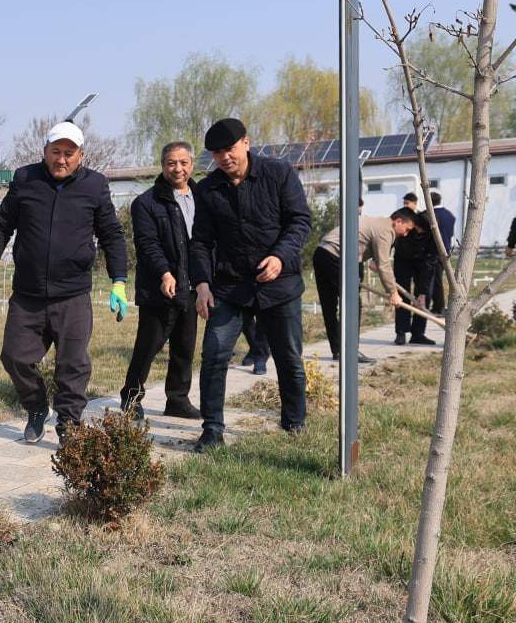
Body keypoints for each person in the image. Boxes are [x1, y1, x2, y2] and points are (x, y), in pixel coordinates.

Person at [0, 121, 129, 444]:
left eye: (69, 153)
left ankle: (68, 424)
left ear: (81, 155)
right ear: (44, 151)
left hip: (72, 294)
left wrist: (119, 282)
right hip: (28, 294)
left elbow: (112, 235)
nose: (61, 159)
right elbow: (2, 224)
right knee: (14, 356)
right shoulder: (25, 179)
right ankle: (36, 407)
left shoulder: (95, 186)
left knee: (72, 364)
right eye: (56, 151)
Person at [190, 118, 312, 453]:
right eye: (217, 153)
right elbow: (201, 241)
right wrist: (202, 284)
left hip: (279, 284)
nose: (224, 157)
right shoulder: (208, 189)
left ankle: (294, 425)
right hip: (230, 288)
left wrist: (280, 257)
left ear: (246, 142)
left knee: (289, 357)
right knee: (214, 355)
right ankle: (212, 430)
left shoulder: (278, 173)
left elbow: (300, 221)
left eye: (229, 149)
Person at [119, 141, 200, 420]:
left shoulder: (201, 197)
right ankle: (131, 398)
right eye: (171, 163)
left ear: (192, 165)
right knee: (148, 346)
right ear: (163, 165)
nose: (178, 169)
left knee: (184, 346)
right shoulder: (146, 203)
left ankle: (177, 399)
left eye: (183, 163)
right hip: (159, 288)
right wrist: (165, 273)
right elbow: (148, 244)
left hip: (191, 286)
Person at [312, 207, 416, 362]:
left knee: (330, 306)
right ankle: (350, 352)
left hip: (322, 253)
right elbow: (384, 265)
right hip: (335, 257)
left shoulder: (378, 223)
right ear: (398, 221)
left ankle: (339, 351)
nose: (406, 234)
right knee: (353, 304)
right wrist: (393, 292)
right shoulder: (386, 230)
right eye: (407, 229)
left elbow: (376, 262)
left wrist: (377, 264)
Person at [393, 207, 438, 346]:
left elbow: (431, 262)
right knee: (402, 295)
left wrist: (423, 292)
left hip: (423, 264)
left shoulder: (434, 234)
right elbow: (391, 237)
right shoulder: (408, 224)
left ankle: (418, 334)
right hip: (403, 261)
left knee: (425, 296)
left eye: (422, 231)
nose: (418, 232)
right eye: (417, 229)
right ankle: (401, 332)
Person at [428, 191, 456, 315]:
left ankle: (438, 306)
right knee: (438, 278)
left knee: (433, 280)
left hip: (433, 251)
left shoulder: (431, 215)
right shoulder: (449, 215)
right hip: (446, 250)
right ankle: (438, 306)